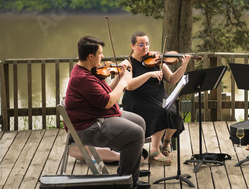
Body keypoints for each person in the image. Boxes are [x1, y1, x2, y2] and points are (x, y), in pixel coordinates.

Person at [64, 36, 149, 189]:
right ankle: (126, 180)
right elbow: (108, 102)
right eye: (100, 53)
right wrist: (123, 83)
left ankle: (131, 171)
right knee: (135, 134)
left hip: (98, 115)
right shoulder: (82, 78)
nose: (102, 57)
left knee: (140, 122)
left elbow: (106, 92)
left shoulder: (90, 71)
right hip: (88, 127)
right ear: (91, 56)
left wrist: (118, 78)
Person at [121, 31, 191, 166]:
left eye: (147, 44)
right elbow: (129, 86)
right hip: (138, 102)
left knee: (175, 114)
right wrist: (149, 75)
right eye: (141, 44)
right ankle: (154, 151)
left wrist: (184, 66)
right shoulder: (127, 63)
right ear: (133, 46)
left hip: (158, 99)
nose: (145, 47)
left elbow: (171, 79)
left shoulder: (156, 60)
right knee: (161, 112)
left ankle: (166, 141)